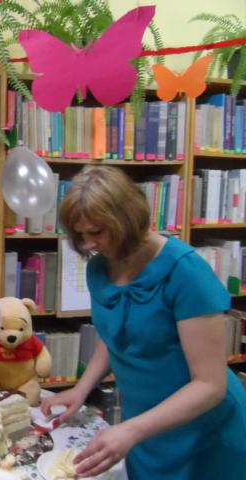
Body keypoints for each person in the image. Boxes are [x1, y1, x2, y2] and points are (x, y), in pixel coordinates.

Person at [41, 166, 246, 479]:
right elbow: (116, 336)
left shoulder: (185, 272)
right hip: (146, 430)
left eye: (96, 232)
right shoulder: (99, 268)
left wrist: (130, 430)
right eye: (81, 235)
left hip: (204, 436)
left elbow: (210, 386)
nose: (89, 244)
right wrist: (81, 389)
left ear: (125, 220)